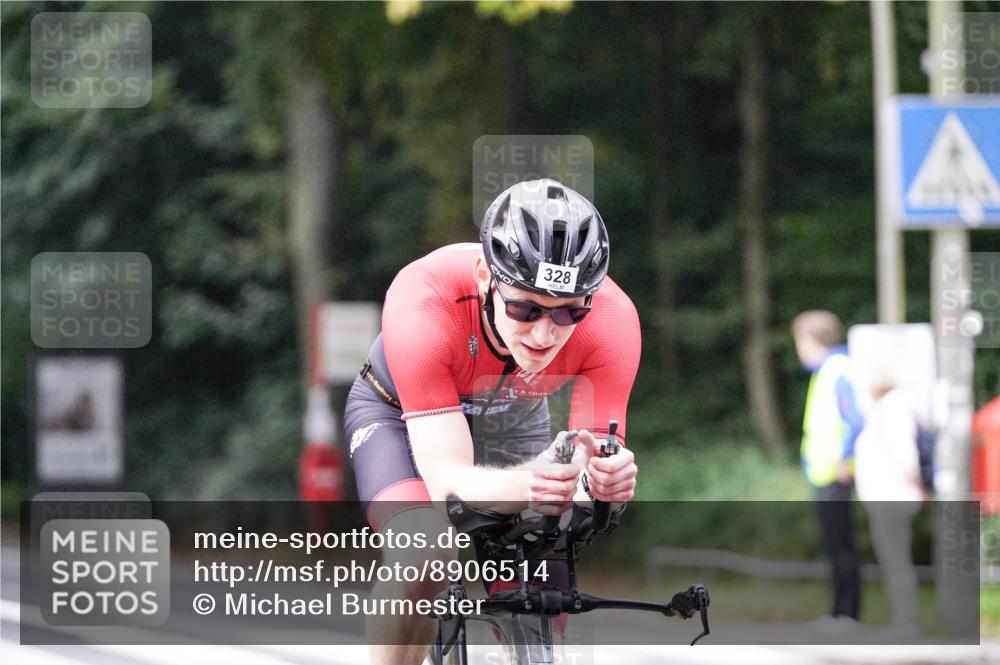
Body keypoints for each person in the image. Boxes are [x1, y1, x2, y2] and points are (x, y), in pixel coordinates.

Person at [344, 178, 642, 665]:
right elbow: (449, 489)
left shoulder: (612, 320)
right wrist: (538, 480)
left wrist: (603, 480)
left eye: (569, 313)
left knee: (545, 579)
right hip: (399, 416)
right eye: (524, 307)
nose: (545, 334)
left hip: (512, 417)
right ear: (486, 275)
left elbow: (592, 465)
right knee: (426, 555)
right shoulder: (425, 298)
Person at [792, 310, 863, 622]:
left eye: (800, 341)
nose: (799, 349)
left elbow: (855, 420)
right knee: (834, 546)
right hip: (824, 473)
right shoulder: (826, 371)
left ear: (812, 339)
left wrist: (845, 460)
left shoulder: (837, 370)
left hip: (836, 473)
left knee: (842, 547)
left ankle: (848, 615)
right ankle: (838, 614)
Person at [854, 369, 924, 637]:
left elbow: (905, 453)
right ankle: (904, 620)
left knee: (895, 559)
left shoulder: (891, 410)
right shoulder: (892, 409)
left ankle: (906, 622)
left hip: (891, 496)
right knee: (895, 559)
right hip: (891, 496)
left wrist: (914, 483)